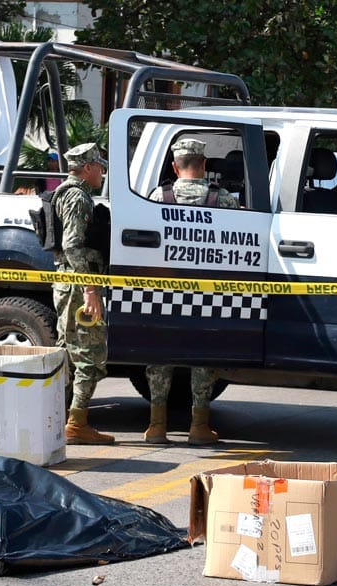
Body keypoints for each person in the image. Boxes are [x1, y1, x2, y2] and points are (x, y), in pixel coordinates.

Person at [144, 138, 239, 445]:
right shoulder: (223, 199)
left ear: (174, 166)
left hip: (164, 290)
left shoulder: (158, 196)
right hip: (206, 292)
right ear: (204, 165)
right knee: (202, 357)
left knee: (159, 355)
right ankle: (199, 426)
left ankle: (156, 426)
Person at [52, 142, 113, 445]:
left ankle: (61, 418)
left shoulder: (68, 192)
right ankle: (77, 422)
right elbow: (72, 245)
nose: (102, 171)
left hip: (68, 282)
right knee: (89, 353)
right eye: (99, 166)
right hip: (78, 284)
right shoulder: (77, 197)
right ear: (87, 167)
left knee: (69, 350)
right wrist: (90, 288)